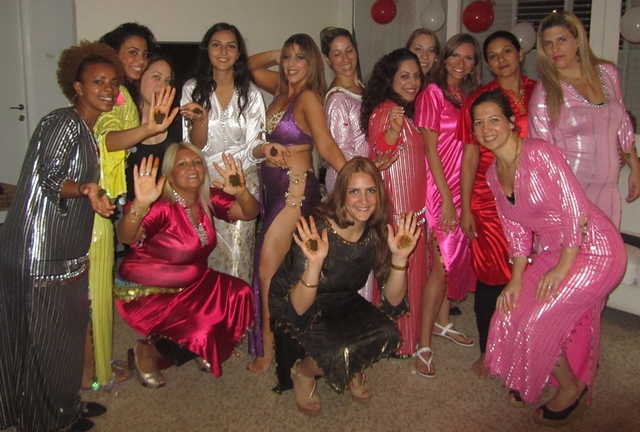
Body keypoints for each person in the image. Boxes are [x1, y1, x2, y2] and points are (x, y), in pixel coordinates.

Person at [473, 89, 626, 427]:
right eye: (479, 123)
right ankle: (535, 372)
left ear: (511, 123)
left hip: (594, 248)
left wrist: (562, 269)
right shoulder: (493, 175)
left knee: (534, 321)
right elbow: (515, 231)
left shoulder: (539, 152)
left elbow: (574, 208)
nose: (486, 129)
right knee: (508, 310)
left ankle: (572, 389)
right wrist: (515, 280)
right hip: (555, 251)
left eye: (494, 120)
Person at [0, 40, 119, 432]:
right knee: (45, 343)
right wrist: (85, 189)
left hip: (66, 251)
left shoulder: (86, 129)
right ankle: (44, 421)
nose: (108, 89)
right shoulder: (61, 123)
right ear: (78, 87)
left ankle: (65, 407)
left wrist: (91, 193)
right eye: (98, 81)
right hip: (41, 250)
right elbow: (49, 176)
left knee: (65, 337)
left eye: (113, 82)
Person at [269, 157, 421, 415]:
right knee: (340, 351)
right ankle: (302, 371)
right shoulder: (316, 229)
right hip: (296, 299)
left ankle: (350, 363)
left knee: (386, 333)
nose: (364, 200)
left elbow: (394, 301)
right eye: (354, 192)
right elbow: (298, 308)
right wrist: (315, 264)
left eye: (370, 191)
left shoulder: (377, 232)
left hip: (341, 296)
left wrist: (399, 259)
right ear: (341, 194)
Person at [83, 22, 179, 391]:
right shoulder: (116, 95)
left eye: (143, 53)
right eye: (132, 53)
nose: (139, 60)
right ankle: (91, 373)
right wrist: (148, 129)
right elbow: (106, 141)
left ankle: (95, 366)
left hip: (107, 199)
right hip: (93, 200)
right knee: (91, 288)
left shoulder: (119, 94)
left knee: (95, 284)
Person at [115, 143, 258, 387]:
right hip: (147, 291)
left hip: (194, 282)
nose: (192, 168)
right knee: (200, 330)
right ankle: (147, 351)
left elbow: (248, 213)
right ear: (170, 175)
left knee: (240, 294)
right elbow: (127, 237)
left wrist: (241, 192)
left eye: (197, 162)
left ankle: (200, 348)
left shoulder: (207, 198)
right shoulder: (162, 205)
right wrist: (140, 205)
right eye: (182, 164)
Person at [247, 34, 347, 374]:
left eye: (300, 57)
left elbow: (326, 145)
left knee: (266, 268)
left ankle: (268, 346)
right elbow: (247, 67)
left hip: (294, 191)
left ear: (312, 63)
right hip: (274, 191)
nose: (291, 64)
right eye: (287, 57)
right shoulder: (281, 89)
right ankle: (291, 335)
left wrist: (354, 179)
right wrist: (278, 53)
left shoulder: (308, 98)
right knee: (280, 269)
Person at [456, 30, 537, 378]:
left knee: (530, 274)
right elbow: (469, 157)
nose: (500, 60)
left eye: (507, 51)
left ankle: (525, 348)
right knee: (492, 275)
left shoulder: (540, 92)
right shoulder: (480, 98)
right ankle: (488, 350)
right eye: (492, 55)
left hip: (533, 194)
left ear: (521, 53)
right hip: (488, 197)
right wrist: (466, 208)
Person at [529, 11, 640, 228]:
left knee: (608, 248)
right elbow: (540, 154)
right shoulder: (545, 91)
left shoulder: (608, 73)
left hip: (608, 191)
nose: (555, 49)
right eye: (548, 44)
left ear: (578, 40)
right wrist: (560, 201)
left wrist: (634, 166)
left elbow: (622, 123)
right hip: (568, 193)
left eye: (562, 40)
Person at [413, 33, 481, 378]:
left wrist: (463, 201)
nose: (460, 63)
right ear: (445, 58)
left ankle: (442, 323)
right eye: (455, 55)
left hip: (458, 188)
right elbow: (429, 149)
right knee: (441, 265)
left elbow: (470, 150)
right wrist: (446, 201)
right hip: (436, 188)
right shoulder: (432, 93)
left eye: (468, 58)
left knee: (450, 262)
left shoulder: (466, 96)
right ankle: (422, 343)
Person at [181, 23, 266, 286]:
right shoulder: (192, 89)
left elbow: (255, 145)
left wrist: (267, 148)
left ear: (238, 53)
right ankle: (209, 307)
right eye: (216, 45)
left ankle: (237, 309)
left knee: (239, 252)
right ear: (207, 50)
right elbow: (193, 146)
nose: (223, 52)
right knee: (205, 249)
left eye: (230, 46)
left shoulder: (250, 93)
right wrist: (201, 120)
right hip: (206, 180)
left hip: (242, 179)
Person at [361, 48, 428, 357]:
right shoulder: (387, 111)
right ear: (390, 79)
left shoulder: (401, 109)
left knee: (409, 275)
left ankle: (404, 337)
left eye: (416, 76)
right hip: (399, 214)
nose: (412, 82)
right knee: (400, 275)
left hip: (411, 212)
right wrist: (391, 131)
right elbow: (381, 149)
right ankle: (396, 342)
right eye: (404, 76)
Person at [125, 53, 182, 201]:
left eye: (167, 81)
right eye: (156, 77)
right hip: (132, 208)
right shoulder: (123, 120)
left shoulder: (176, 121)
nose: (163, 85)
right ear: (139, 78)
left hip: (172, 206)